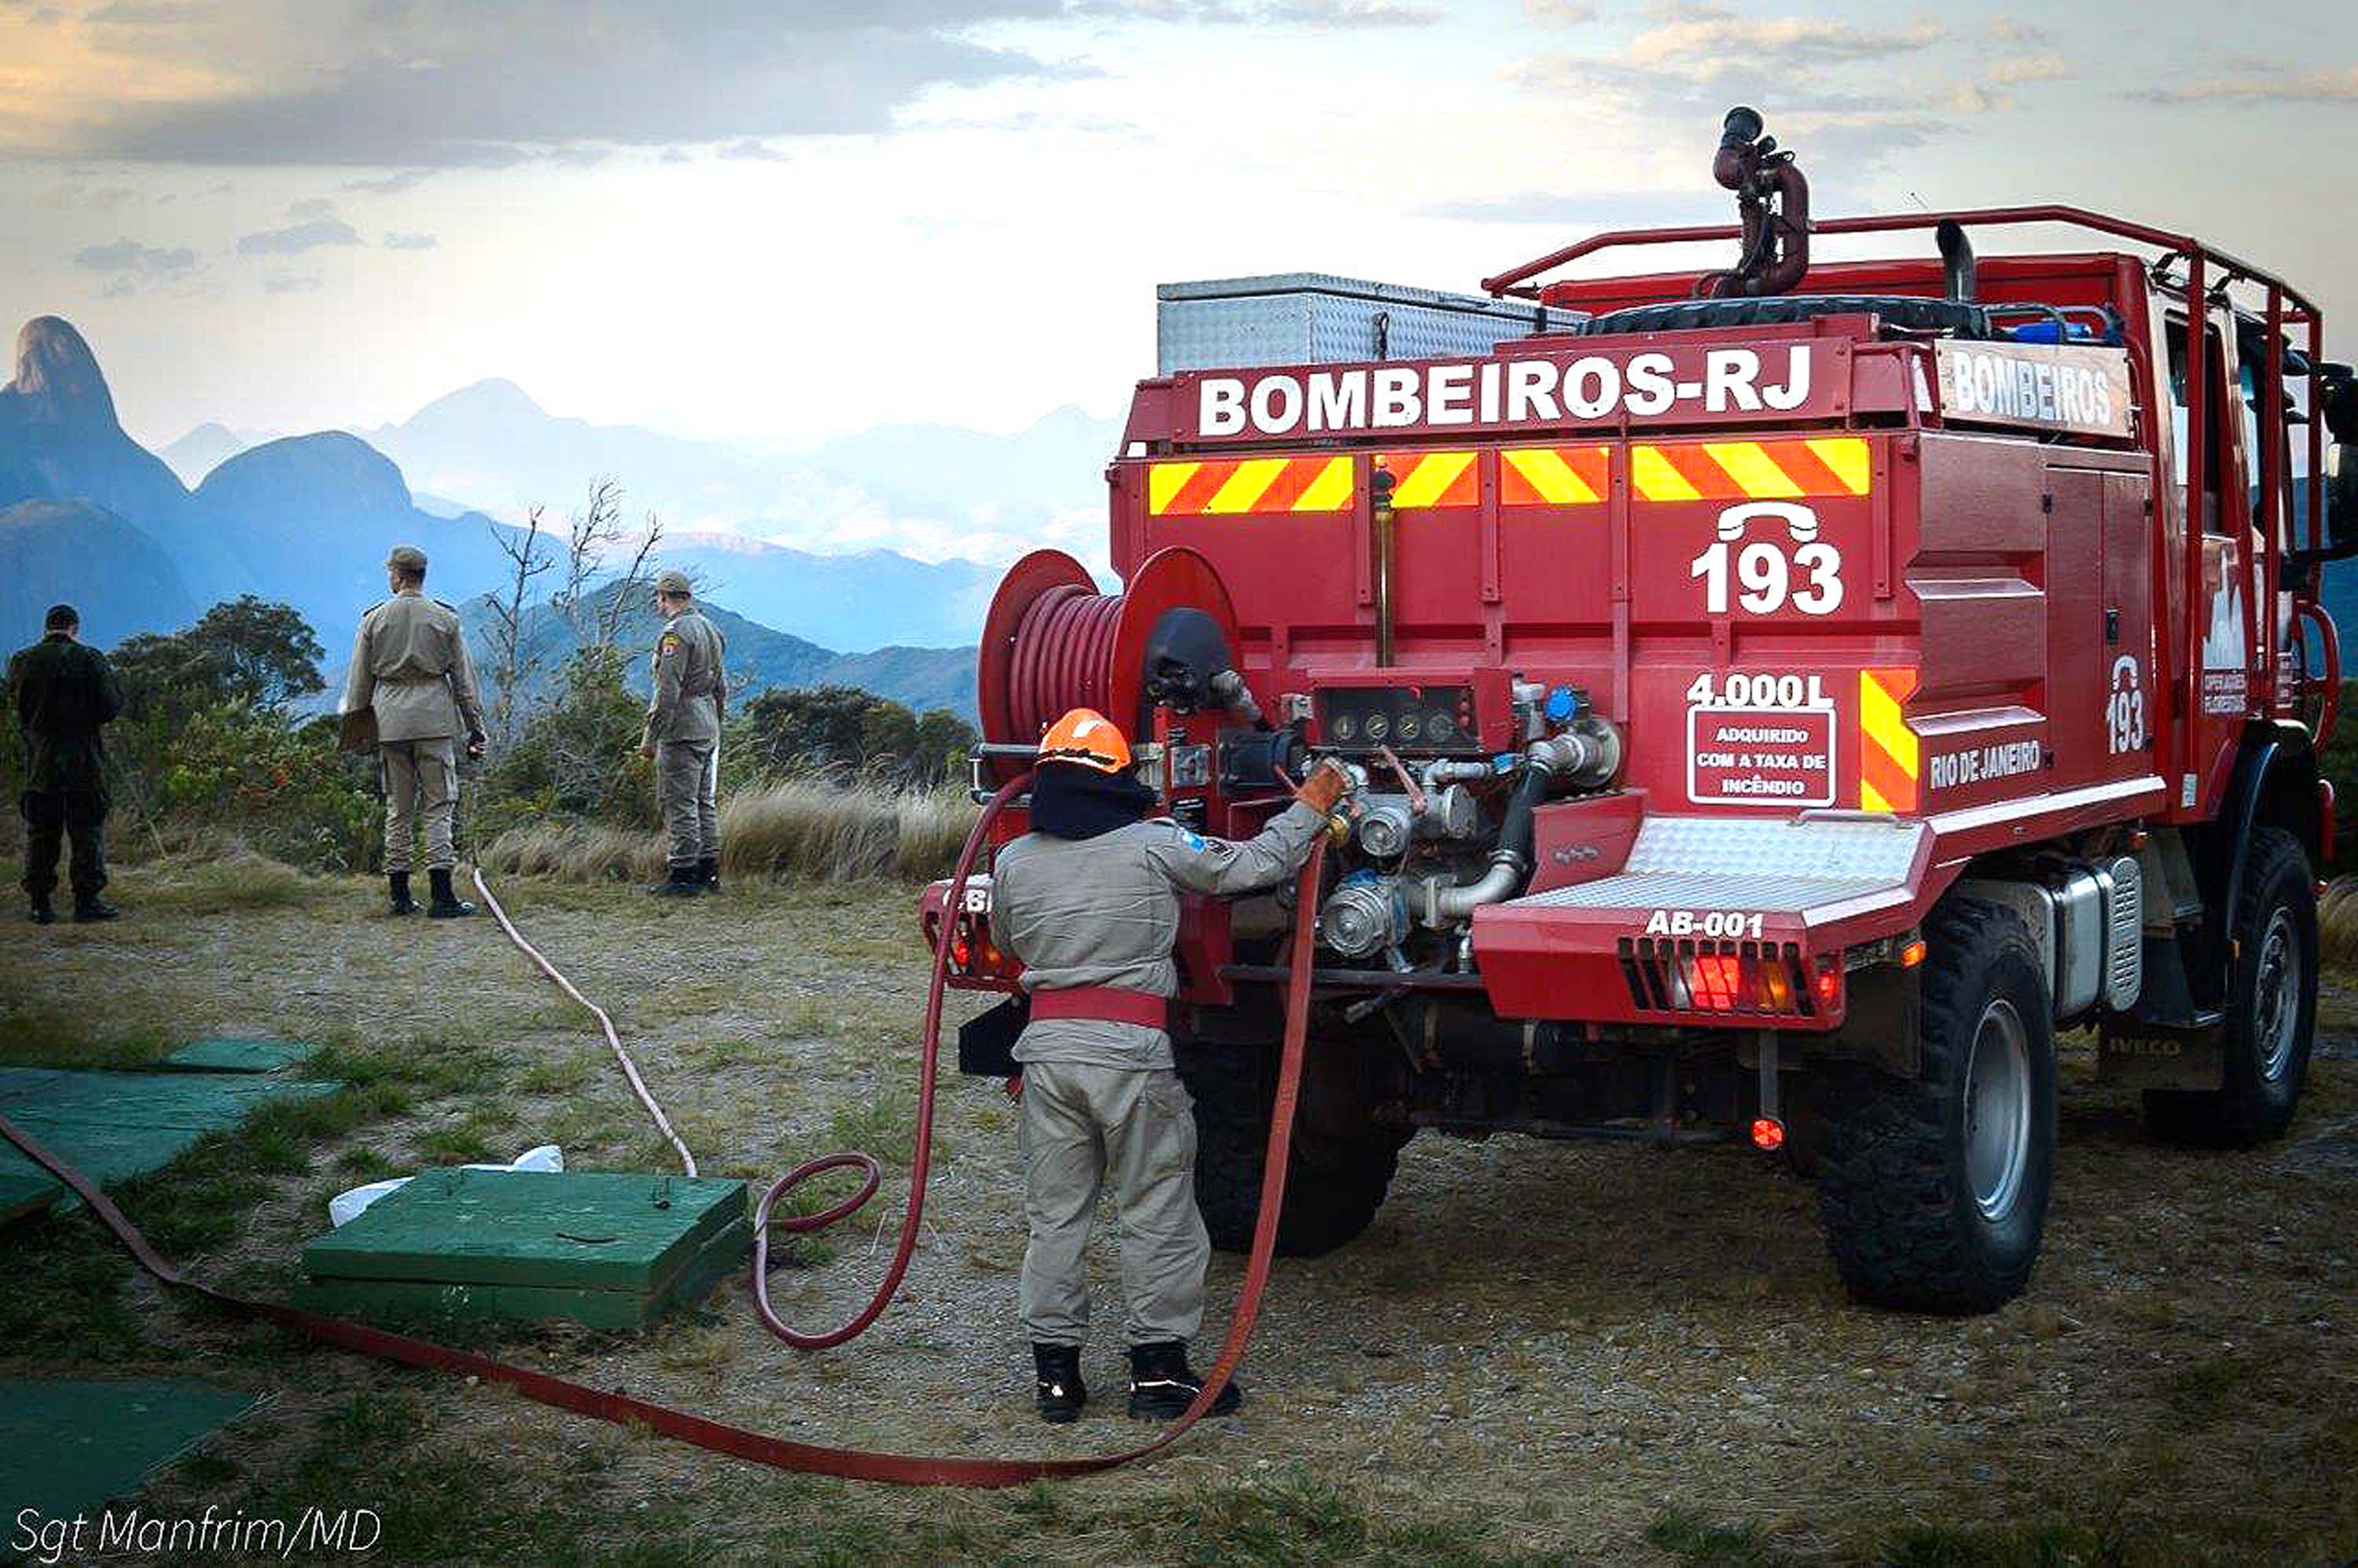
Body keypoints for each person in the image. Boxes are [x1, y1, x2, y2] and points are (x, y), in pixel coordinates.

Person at [989, 707, 1350, 1423]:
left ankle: (1055, 1381)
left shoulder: (1014, 861)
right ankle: (1158, 1376)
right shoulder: (1154, 844)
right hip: (1130, 1056)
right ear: (1121, 777)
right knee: (1156, 1209)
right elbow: (1254, 866)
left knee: (1055, 1217)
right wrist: (1309, 808)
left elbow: (1008, 938)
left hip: (1050, 1056)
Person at [340, 545, 486, 918]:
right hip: (434, 721)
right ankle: (442, 896)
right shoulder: (445, 619)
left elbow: (359, 682)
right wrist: (476, 730)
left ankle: (400, 896)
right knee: (438, 805)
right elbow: (464, 683)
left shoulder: (373, 620)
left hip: (390, 723)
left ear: (398, 575)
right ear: (421, 575)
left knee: (398, 807)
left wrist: (357, 732)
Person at [8, 604, 123, 924]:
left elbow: (16, 706)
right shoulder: (90, 659)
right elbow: (111, 707)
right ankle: (86, 902)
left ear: (47, 627)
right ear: (75, 627)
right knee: (86, 832)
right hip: (84, 760)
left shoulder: (23, 661)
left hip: (41, 761)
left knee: (41, 832)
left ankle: (40, 904)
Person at [636, 570, 726, 898]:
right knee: (704, 802)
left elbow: (668, 692)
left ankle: (683, 873)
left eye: (658, 599)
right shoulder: (710, 629)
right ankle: (708, 871)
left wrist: (650, 738)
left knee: (680, 803)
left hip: (682, 728)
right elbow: (721, 686)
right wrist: (717, 724)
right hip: (708, 725)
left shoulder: (674, 634)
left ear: (664, 597)